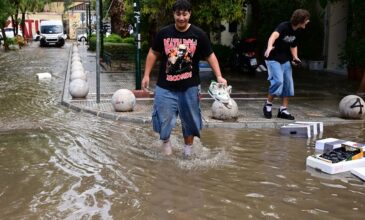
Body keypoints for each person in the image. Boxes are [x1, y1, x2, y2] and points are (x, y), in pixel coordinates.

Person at [141, 0, 227, 158]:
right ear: (173, 14)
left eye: (185, 14)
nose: (181, 18)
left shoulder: (198, 34)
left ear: (190, 14)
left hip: (190, 87)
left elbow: (210, 55)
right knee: (163, 118)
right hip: (165, 86)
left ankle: (188, 150)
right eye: (178, 14)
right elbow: (153, 53)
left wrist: (219, 76)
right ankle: (166, 142)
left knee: (190, 120)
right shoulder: (164, 33)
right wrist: (146, 75)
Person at [263, 9, 310, 120]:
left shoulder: (297, 30)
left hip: (285, 59)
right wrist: (269, 47)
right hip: (273, 58)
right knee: (278, 81)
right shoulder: (284, 26)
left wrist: (295, 57)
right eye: (306, 20)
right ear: (301, 20)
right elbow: (273, 36)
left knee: (288, 85)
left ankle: (283, 110)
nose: (308, 22)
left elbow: (293, 45)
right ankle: (268, 104)